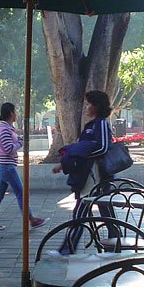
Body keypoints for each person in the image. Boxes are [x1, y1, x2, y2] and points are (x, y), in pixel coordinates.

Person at [51, 90, 113, 252]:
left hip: (94, 178)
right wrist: (65, 164)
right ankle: (116, 245)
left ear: (97, 106)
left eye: (90, 104)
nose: (87, 107)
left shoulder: (100, 123)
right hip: (90, 177)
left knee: (80, 214)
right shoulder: (91, 125)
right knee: (106, 214)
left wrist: (83, 156)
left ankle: (66, 250)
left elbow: (103, 147)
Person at [0, 103, 46, 230]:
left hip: (3, 166)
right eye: (15, 111)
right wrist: (20, 143)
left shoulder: (6, 128)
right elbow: (8, 149)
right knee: (21, 193)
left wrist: (18, 140)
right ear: (11, 114)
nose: (16, 114)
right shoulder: (6, 130)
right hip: (7, 166)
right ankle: (31, 219)